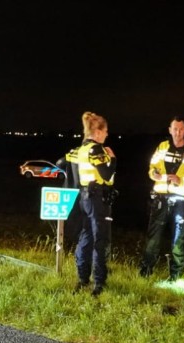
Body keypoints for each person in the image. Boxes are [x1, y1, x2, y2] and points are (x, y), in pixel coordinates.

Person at [139, 116, 184, 280]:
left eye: (181, 129)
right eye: (175, 129)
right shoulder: (162, 146)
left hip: (182, 199)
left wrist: (182, 180)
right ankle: (145, 271)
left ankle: (176, 275)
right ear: (169, 130)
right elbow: (152, 167)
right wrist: (154, 173)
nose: (177, 132)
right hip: (160, 197)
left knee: (178, 239)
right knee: (153, 237)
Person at [72, 111, 117, 296]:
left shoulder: (80, 149)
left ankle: (82, 278)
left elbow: (75, 176)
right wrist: (113, 158)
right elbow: (106, 175)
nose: (107, 134)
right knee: (100, 239)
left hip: (85, 197)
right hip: (98, 198)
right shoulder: (97, 149)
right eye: (105, 131)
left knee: (86, 236)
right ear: (97, 132)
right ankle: (98, 283)